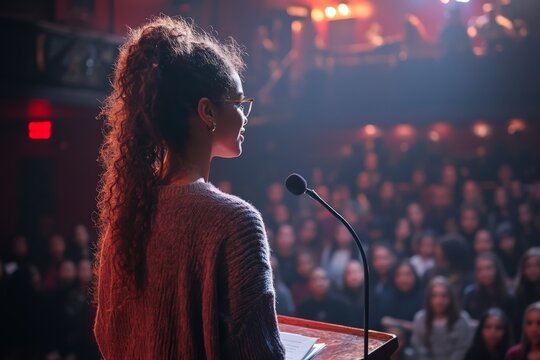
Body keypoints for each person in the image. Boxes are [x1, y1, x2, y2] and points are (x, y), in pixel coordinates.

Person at [93, 16, 285, 359]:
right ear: (207, 112)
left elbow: (108, 337)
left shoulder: (127, 218)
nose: (245, 116)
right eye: (239, 104)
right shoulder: (235, 222)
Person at [411, 276, 473, 360]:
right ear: (429, 298)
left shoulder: (461, 319)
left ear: (450, 298)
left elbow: (461, 350)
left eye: (444, 296)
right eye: (434, 296)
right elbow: (419, 350)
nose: (439, 301)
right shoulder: (420, 319)